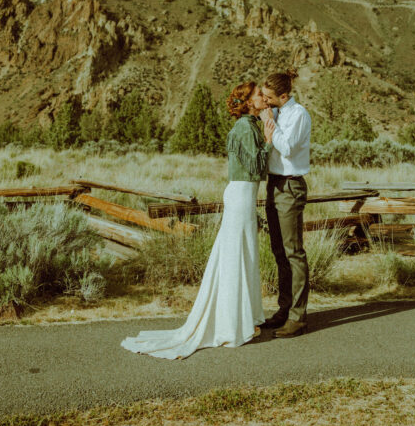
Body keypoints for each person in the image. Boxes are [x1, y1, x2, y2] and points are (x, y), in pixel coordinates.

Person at [121, 82, 270, 360]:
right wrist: (270, 142)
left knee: (241, 255)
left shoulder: (250, 126)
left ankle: (242, 318)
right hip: (241, 196)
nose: (264, 98)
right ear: (249, 102)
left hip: (243, 196)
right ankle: (231, 324)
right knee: (236, 255)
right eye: (259, 95)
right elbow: (256, 168)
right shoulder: (244, 128)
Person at [259, 69, 311, 337]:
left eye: (268, 97)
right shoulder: (276, 113)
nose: (265, 101)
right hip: (273, 184)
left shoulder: (298, 114)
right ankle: (284, 309)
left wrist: (271, 126)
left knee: (293, 252)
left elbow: (288, 147)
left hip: (290, 185)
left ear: (283, 95)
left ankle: (298, 316)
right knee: (278, 250)